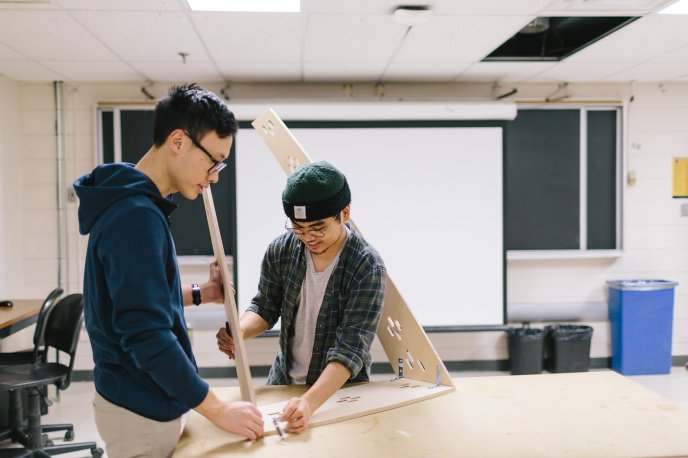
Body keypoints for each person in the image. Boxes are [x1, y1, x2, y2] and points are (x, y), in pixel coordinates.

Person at [74, 84, 263, 458]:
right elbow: (145, 334)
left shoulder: (133, 201)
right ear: (178, 141)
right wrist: (218, 410)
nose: (214, 176)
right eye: (214, 161)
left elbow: (141, 298)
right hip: (139, 409)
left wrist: (204, 293)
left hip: (143, 398)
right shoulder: (135, 216)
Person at [216, 161, 386, 434]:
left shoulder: (366, 266)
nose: (308, 237)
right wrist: (239, 331)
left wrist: (308, 403)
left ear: (344, 213)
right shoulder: (281, 249)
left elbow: (350, 350)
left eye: (318, 227)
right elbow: (265, 306)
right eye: (298, 228)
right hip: (284, 382)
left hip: (340, 394)